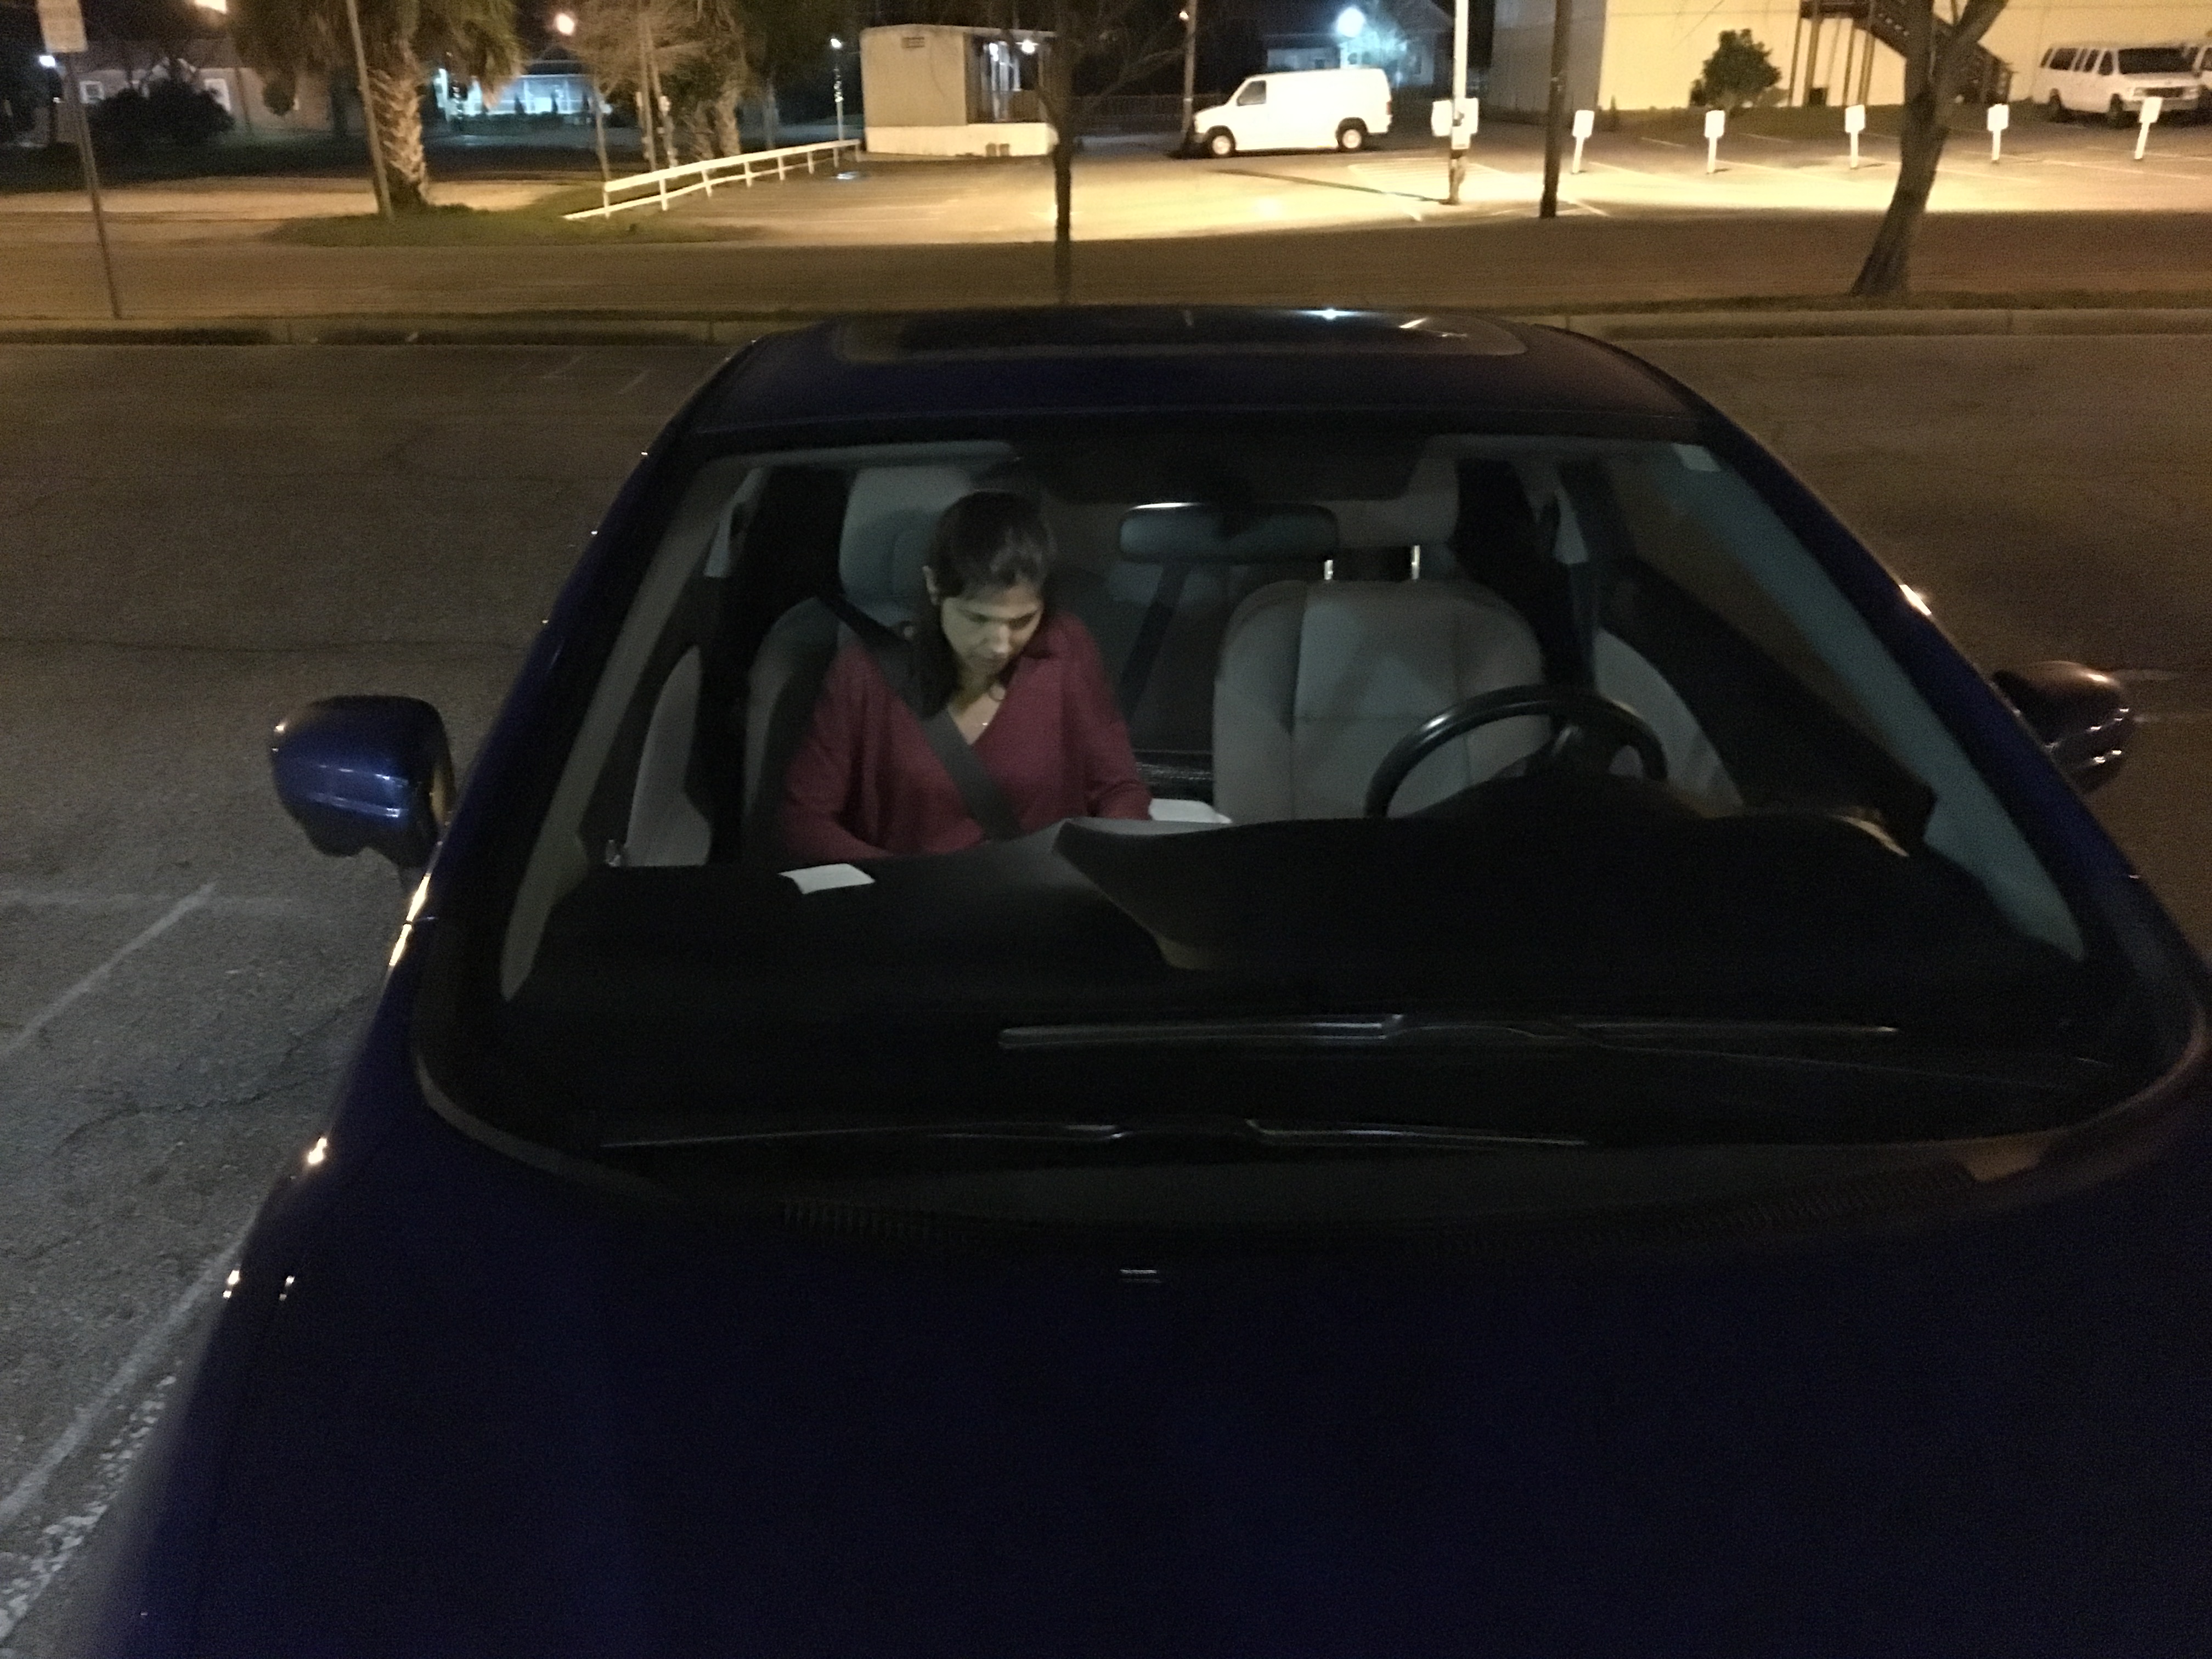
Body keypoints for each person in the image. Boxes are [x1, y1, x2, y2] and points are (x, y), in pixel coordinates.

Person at [780, 492, 1152, 864]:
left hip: (1039, 890)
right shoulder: (865, 672)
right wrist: (901, 880)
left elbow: (1118, 787)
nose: (999, 646)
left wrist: (1105, 860)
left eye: (1022, 621)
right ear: (934, 587)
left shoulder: (1064, 649)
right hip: (915, 892)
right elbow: (805, 821)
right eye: (977, 618)